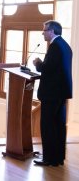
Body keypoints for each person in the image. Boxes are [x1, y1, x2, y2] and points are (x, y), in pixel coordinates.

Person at [32, 20, 72, 167]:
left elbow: (47, 68)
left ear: (52, 31)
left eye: (45, 30)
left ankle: (48, 159)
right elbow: (56, 69)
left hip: (52, 94)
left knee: (48, 126)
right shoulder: (65, 45)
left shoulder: (55, 47)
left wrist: (37, 63)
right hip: (61, 93)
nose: (43, 32)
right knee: (58, 126)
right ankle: (58, 158)